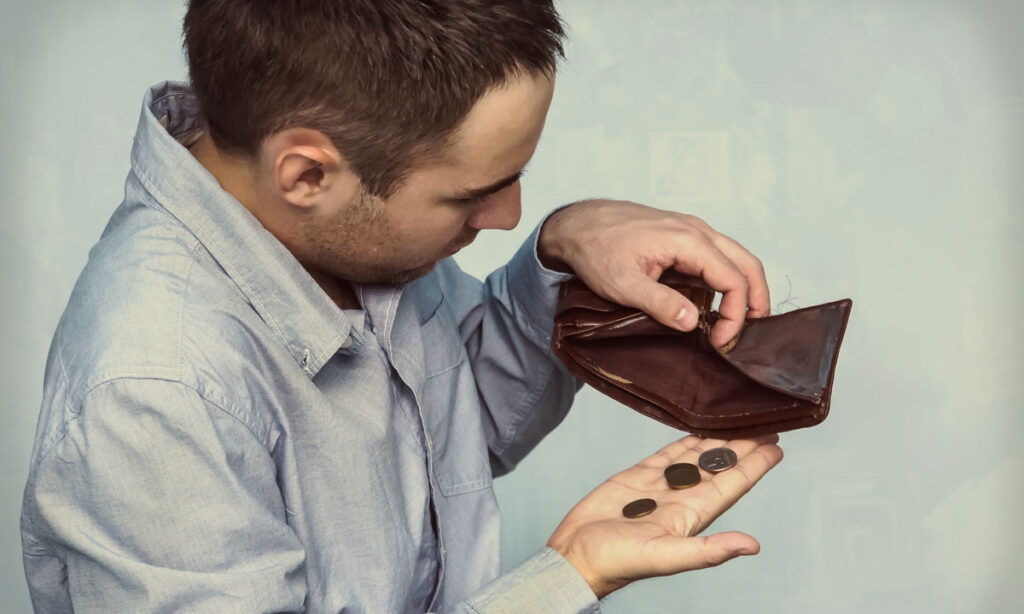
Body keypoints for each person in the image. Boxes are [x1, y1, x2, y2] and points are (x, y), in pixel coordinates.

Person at [20, 1, 783, 612]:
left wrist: (561, 247)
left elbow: (449, 431)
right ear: (307, 175)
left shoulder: (348, 231)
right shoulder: (155, 392)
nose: (509, 214)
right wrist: (565, 580)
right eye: (474, 193)